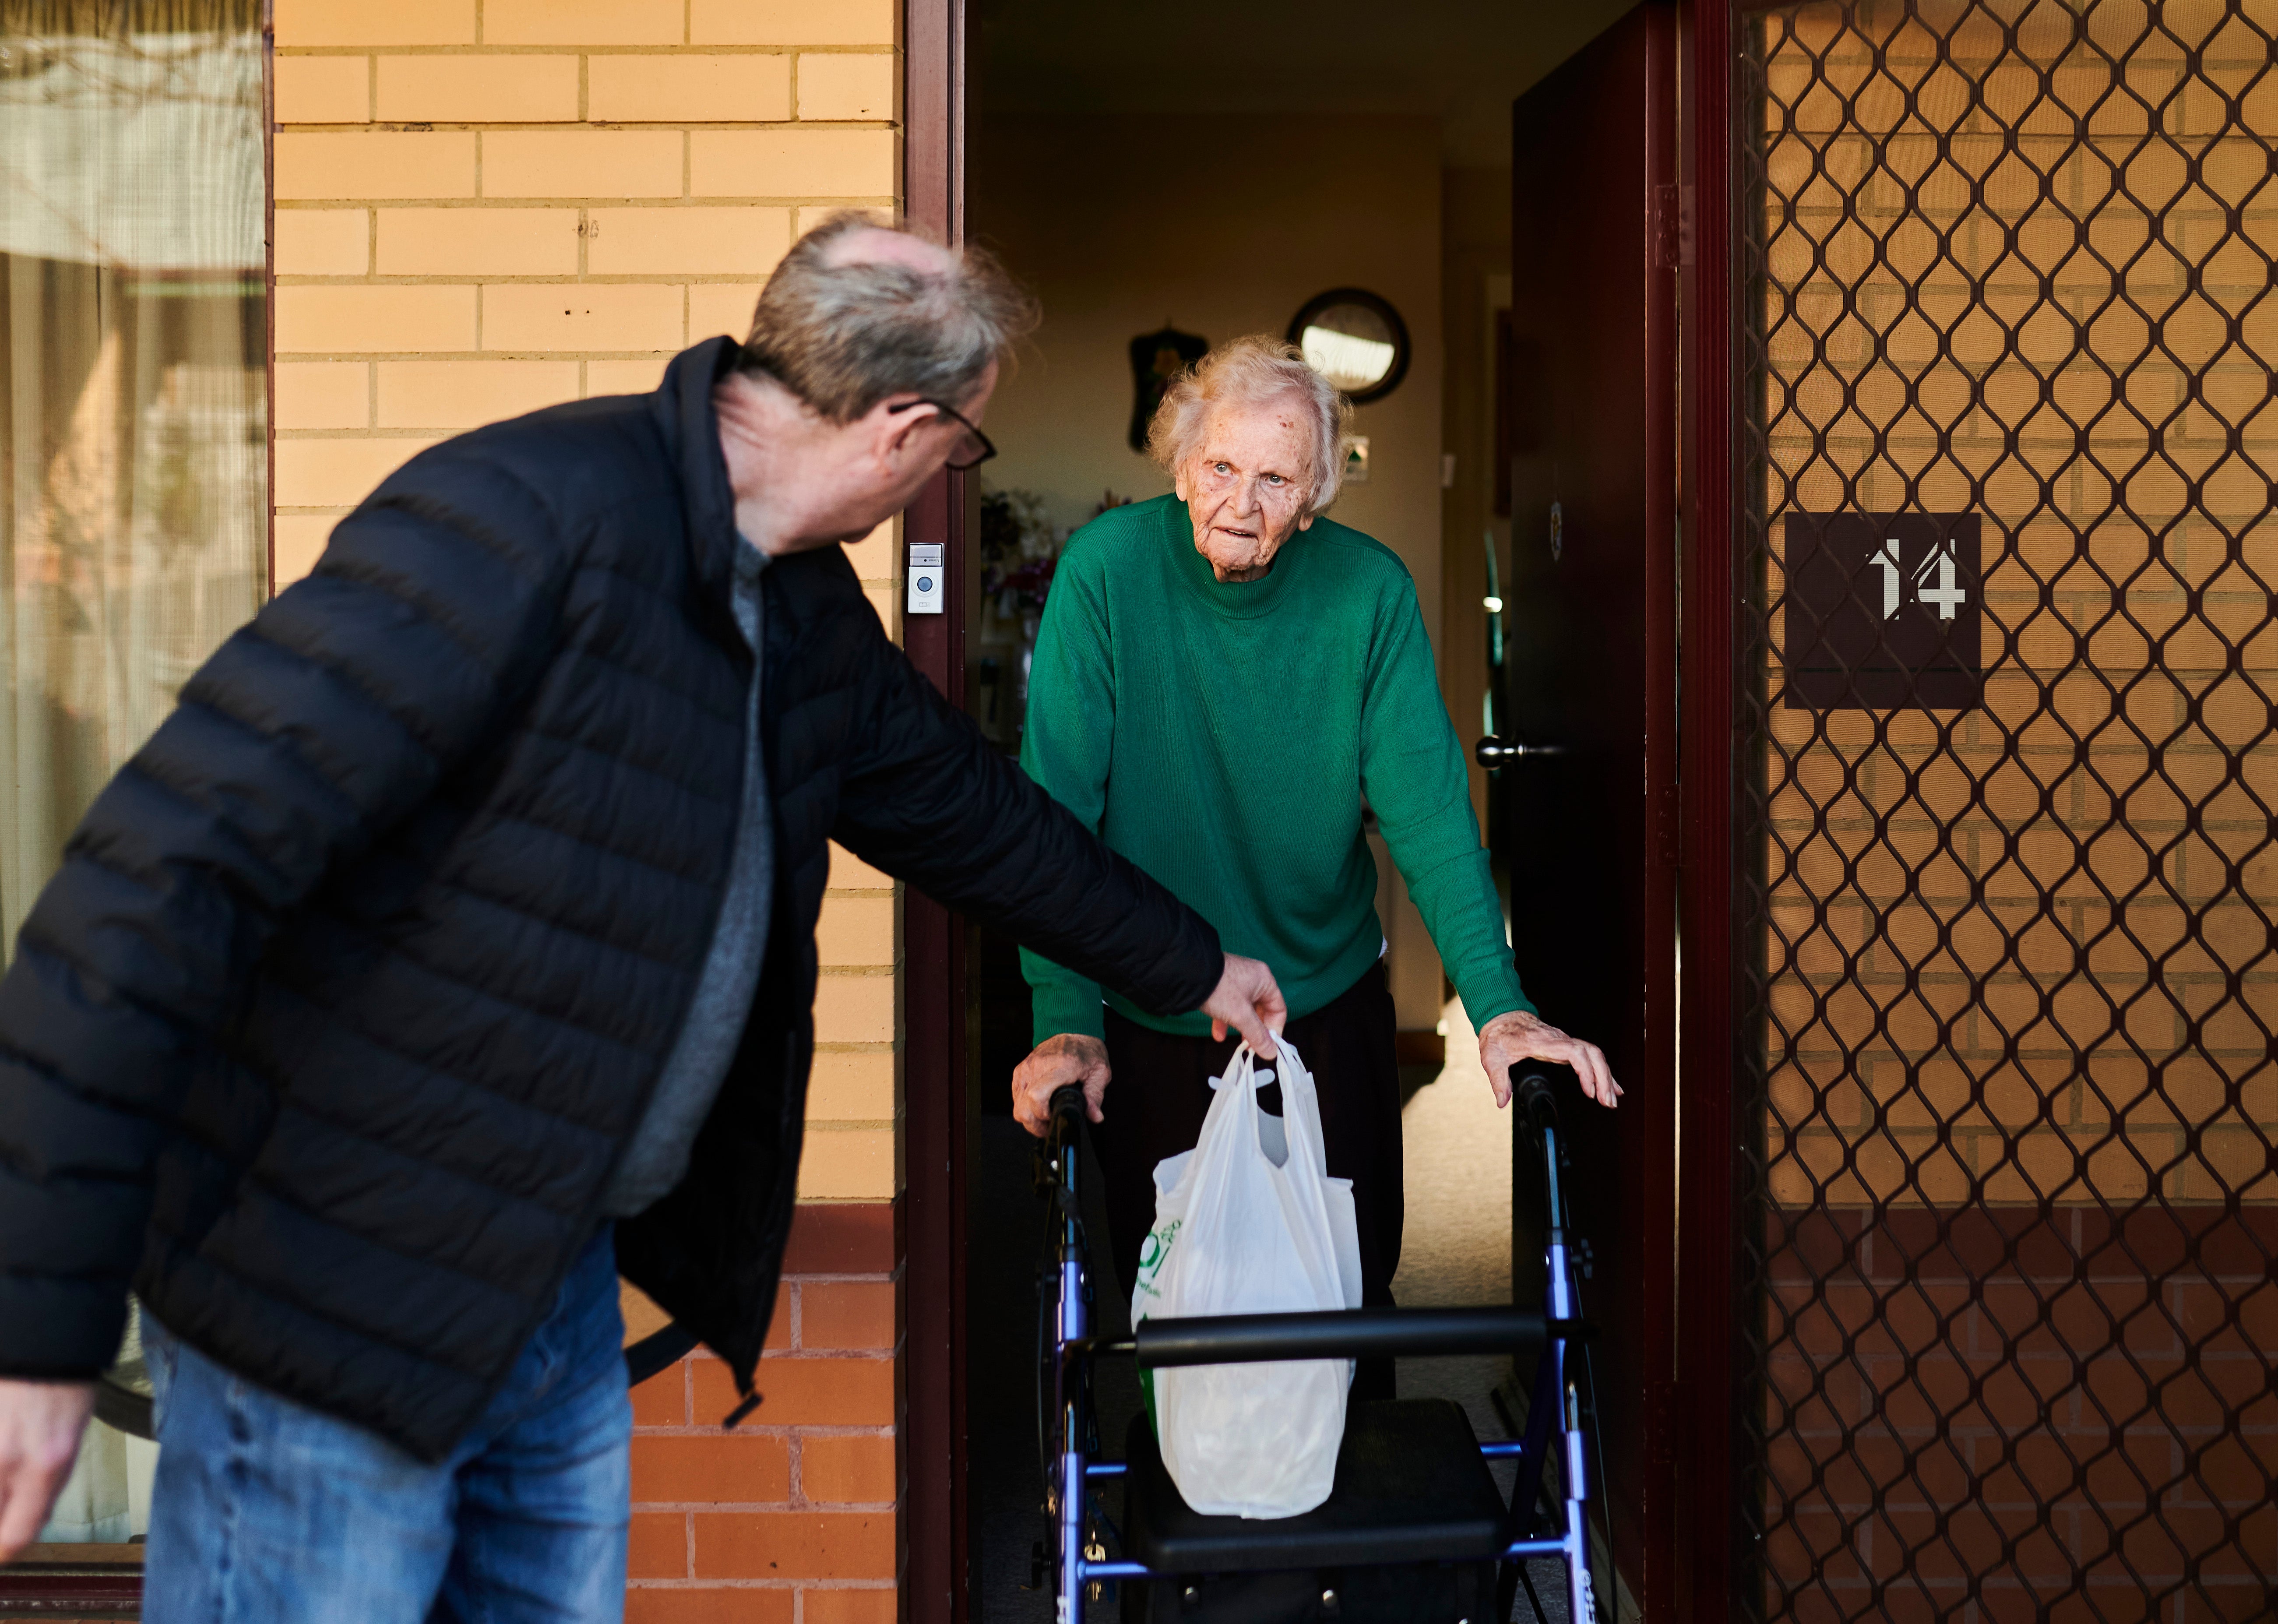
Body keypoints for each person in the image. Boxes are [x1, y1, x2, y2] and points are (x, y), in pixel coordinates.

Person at [0, 213, 1285, 1620]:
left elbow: (975, 820)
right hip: (328, 1294)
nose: (946, 474)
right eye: (962, 444)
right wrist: (40, 1318)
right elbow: (151, 880)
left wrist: (1193, 962)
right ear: (904, 430)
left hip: (546, 1285)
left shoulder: (802, 609)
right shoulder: (522, 516)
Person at [1008, 335, 1614, 1396]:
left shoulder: (1366, 595)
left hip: (1322, 1002)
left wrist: (1501, 1005)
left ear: (1316, 493)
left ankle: (1350, 1549)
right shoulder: (1106, 575)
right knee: (1176, 1300)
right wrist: (1066, 1016)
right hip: (1154, 1008)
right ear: (1182, 463)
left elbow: (1429, 816)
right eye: (1221, 468)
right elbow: (1057, 816)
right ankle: (1188, 1549)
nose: (1242, 500)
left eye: (1276, 477)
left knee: (1347, 1285)